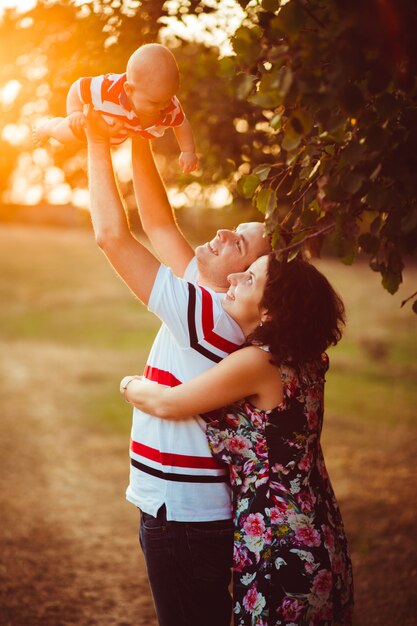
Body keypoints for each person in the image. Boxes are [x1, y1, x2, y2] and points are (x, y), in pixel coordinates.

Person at [84, 107, 270, 626]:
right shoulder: (213, 299)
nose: (228, 231)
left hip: (183, 515)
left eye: (245, 242)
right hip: (185, 512)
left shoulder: (210, 316)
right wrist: (142, 133)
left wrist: (98, 141)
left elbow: (112, 236)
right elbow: (158, 221)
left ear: (251, 278)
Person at [120, 253, 354, 626]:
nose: (233, 276)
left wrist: (129, 384)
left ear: (271, 312)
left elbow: (168, 403)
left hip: (282, 541)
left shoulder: (260, 363)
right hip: (315, 525)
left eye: (249, 279)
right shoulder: (309, 357)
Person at [33, 43, 199, 173]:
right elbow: (78, 87)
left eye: (169, 98)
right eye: (155, 103)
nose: (164, 106)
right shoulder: (107, 88)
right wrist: (75, 112)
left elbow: (181, 124)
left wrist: (188, 151)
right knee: (64, 134)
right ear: (129, 90)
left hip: (119, 134)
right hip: (87, 125)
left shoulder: (169, 104)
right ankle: (48, 127)